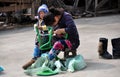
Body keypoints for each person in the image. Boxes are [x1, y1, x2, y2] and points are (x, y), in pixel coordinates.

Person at [22, 4, 49, 69]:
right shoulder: (39, 21)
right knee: (37, 47)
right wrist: (36, 27)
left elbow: (49, 27)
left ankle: (37, 59)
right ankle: (34, 58)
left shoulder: (47, 21)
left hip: (46, 37)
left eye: (43, 13)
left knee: (42, 48)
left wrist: (42, 28)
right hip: (39, 38)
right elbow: (36, 27)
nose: (42, 14)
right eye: (40, 13)